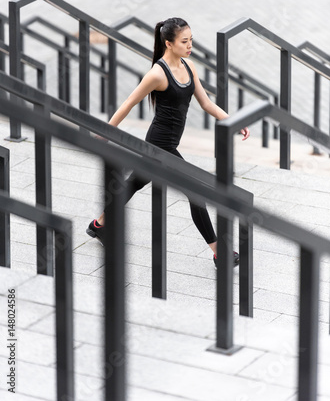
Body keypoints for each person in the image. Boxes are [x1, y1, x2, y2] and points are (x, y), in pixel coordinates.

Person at [86, 17, 250, 268]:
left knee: (133, 185)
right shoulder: (156, 74)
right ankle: (220, 253)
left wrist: (232, 121)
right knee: (196, 193)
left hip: (165, 144)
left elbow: (206, 103)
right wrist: (107, 130)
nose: (189, 45)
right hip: (159, 146)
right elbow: (129, 102)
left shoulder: (189, 66)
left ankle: (99, 225)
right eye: (184, 41)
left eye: (191, 40)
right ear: (169, 43)